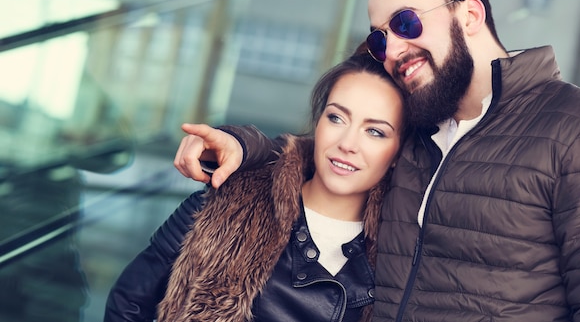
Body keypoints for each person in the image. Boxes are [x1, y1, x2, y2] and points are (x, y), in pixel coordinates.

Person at [173, 0, 580, 321]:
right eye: (379, 37)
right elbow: (329, 151)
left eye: (406, 22)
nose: (392, 49)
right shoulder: (418, 126)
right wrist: (236, 142)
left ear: (470, 15)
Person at [104, 49, 408, 322]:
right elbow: (129, 305)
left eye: (375, 132)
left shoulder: (398, 255)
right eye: (337, 118)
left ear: (397, 153)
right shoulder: (227, 206)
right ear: (319, 123)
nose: (347, 144)